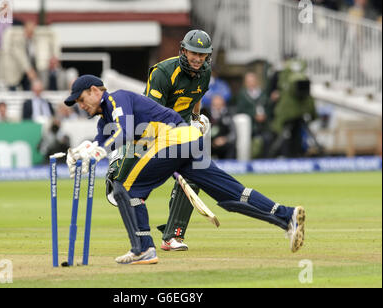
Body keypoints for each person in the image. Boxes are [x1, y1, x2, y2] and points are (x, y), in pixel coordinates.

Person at [64, 75, 306, 265]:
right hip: (187, 141)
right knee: (232, 195)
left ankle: (143, 248)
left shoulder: (116, 99)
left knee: (127, 189)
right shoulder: (104, 120)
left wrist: (98, 151)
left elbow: (123, 132)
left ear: (95, 91)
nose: (81, 105)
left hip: (173, 141)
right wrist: (82, 155)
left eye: (82, 99)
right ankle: (287, 216)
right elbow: (102, 141)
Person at [106, 29, 213, 251]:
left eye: (202, 55)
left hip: (181, 131)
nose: (197, 58)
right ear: (183, 50)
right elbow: (152, 111)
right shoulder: (163, 72)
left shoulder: (205, 72)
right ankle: (117, 164)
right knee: (126, 186)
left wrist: (195, 119)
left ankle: (172, 236)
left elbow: (197, 95)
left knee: (194, 176)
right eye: (193, 53)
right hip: (150, 127)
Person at [236, 72, 274, 158]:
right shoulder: (242, 95)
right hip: (250, 127)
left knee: (268, 139)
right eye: (248, 81)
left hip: (264, 126)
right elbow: (240, 110)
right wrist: (253, 115)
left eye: (252, 81)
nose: (251, 83)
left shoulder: (263, 93)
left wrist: (265, 115)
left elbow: (269, 107)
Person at [205, 95, 236, 159]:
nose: (217, 107)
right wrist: (212, 142)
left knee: (231, 146)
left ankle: (229, 166)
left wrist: (224, 139)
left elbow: (233, 134)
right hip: (209, 143)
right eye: (215, 105)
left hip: (224, 143)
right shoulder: (205, 115)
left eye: (220, 105)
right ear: (211, 105)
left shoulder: (228, 115)